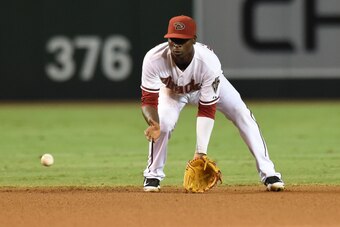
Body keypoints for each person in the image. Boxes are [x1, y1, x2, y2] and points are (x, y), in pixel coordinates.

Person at [140, 15, 284, 192]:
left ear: (193, 40)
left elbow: (207, 110)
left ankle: (269, 173)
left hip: (206, 87)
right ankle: (152, 176)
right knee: (164, 123)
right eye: (173, 39)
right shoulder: (153, 59)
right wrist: (153, 122)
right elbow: (148, 100)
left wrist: (200, 152)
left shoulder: (208, 62)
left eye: (182, 40)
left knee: (241, 113)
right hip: (173, 92)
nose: (176, 45)